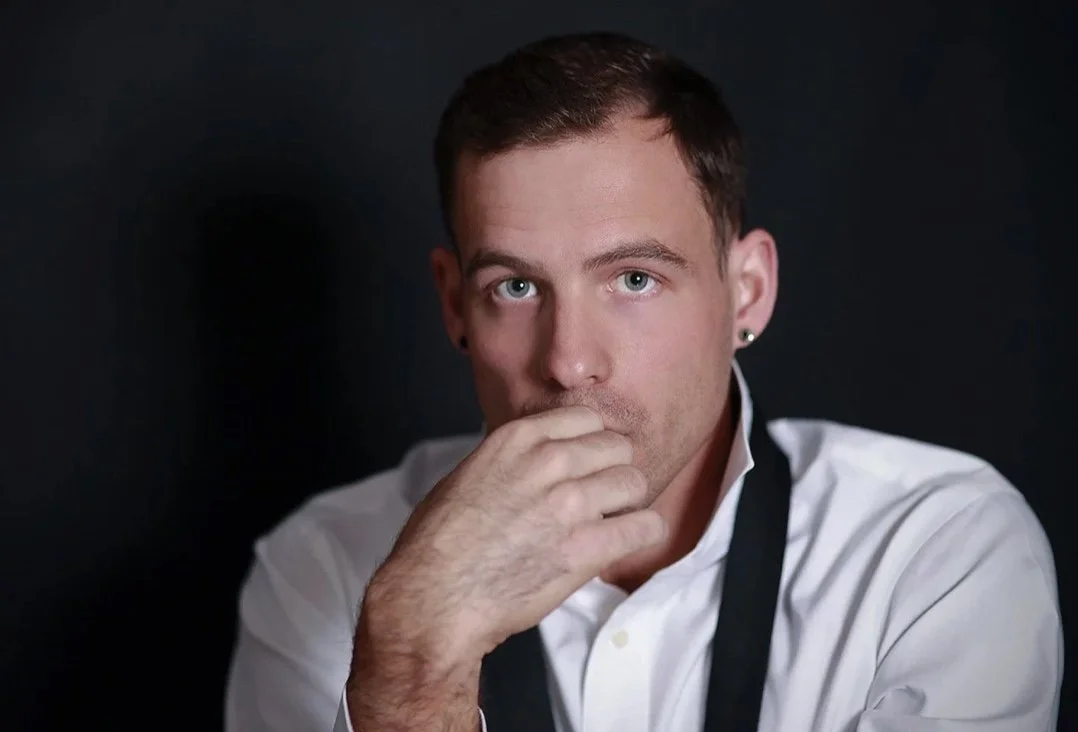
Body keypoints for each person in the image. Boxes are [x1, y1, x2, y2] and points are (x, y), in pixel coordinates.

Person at [223, 31, 1063, 732]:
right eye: (515, 287)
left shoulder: (931, 548)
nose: (569, 361)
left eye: (633, 279)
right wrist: (410, 665)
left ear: (749, 291)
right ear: (454, 305)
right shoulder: (326, 569)